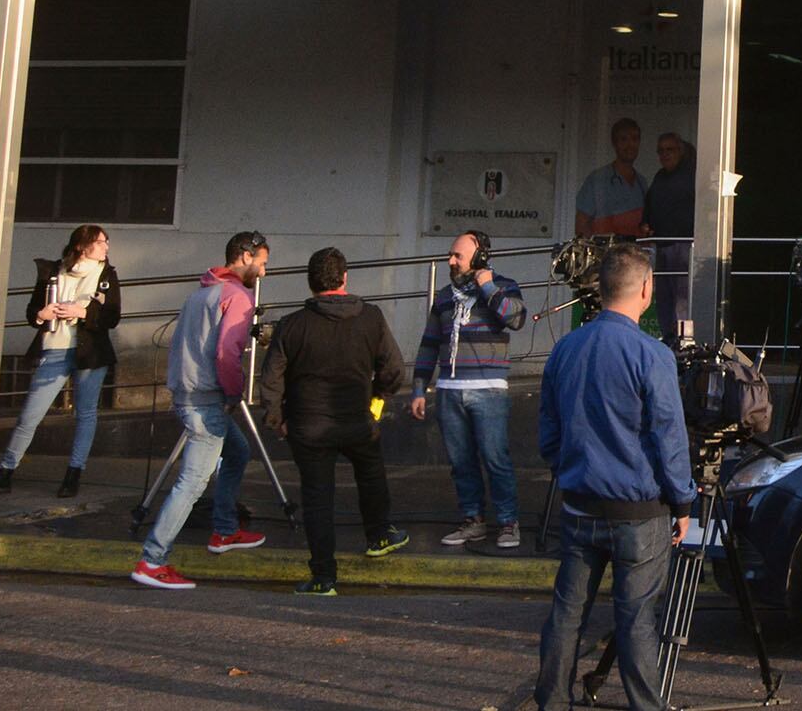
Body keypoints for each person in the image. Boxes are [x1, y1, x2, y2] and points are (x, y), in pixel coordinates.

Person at [535, 246, 697, 711]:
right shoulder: (652, 354)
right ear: (646, 289)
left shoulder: (566, 348)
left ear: (602, 288)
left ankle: (551, 702)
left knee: (566, 616)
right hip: (639, 513)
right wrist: (683, 503)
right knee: (636, 621)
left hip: (579, 503)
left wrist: (568, 469)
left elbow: (548, 430)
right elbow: (670, 438)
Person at [262, 247, 410, 596]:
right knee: (371, 474)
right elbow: (394, 370)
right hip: (358, 418)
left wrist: (277, 419)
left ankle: (324, 577)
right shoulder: (371, 318)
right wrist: (377, 396)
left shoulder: (292, 325)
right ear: (345, 279)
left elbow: (271, 380)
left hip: (308, 425)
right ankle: (378, 535)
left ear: (311, 283)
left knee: (317, 499)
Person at [130, 231, 271, 590]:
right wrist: (235, 391)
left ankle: (224, 530)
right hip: (209, 399)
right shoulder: (238, 297)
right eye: (263, 262)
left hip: (187, 394)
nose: (264, 272)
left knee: (237, 451)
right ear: (244, 256)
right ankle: (152, 559)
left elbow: (182, 345)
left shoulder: (201, 294)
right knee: (191, 483)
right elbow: (227, 353)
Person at [412, 230, 528, 550]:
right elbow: (429, 343)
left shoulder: (503, 287)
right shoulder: (444, 296)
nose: (450, 261)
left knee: (495, 457)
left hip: (488, 389)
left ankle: (507, 521)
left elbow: (515, 319)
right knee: (461, 461)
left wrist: (486, 285)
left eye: (457, 256)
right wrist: (420, 387)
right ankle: (473, 519)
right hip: (450, 388)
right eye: (451, 255)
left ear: (478, 259)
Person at [0, 225, 121, 499]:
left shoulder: (107, 274)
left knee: (85, 414)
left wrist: (82, 312)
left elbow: (111, 317)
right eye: (100, 242)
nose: (106, 247)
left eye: (106, 242)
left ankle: (74, 473)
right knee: (30, 414)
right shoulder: (53, 271)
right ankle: (5, 469)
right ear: (81, 246)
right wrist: (43, 314)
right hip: (54, 348)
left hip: (90, 353)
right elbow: (31, 313)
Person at [641, 131, 697, 341]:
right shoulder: (660, 177)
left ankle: (683, 344)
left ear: (680, 151)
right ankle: (669, 341)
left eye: (670, 150)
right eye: (661, 151)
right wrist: (646, 223)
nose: (665, 155)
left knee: (681, 300)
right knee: (663, 298)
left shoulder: (692, 175)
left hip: (683, 246)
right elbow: (650, 204)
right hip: (662, 246)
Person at [576, 116, 650, 237]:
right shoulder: (598, 180)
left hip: (634, 253)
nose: (630, 144)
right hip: (606, 253)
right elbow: (581, 225)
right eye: (623, 139)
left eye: (634, 139)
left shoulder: (642, 183)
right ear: (614, 143)